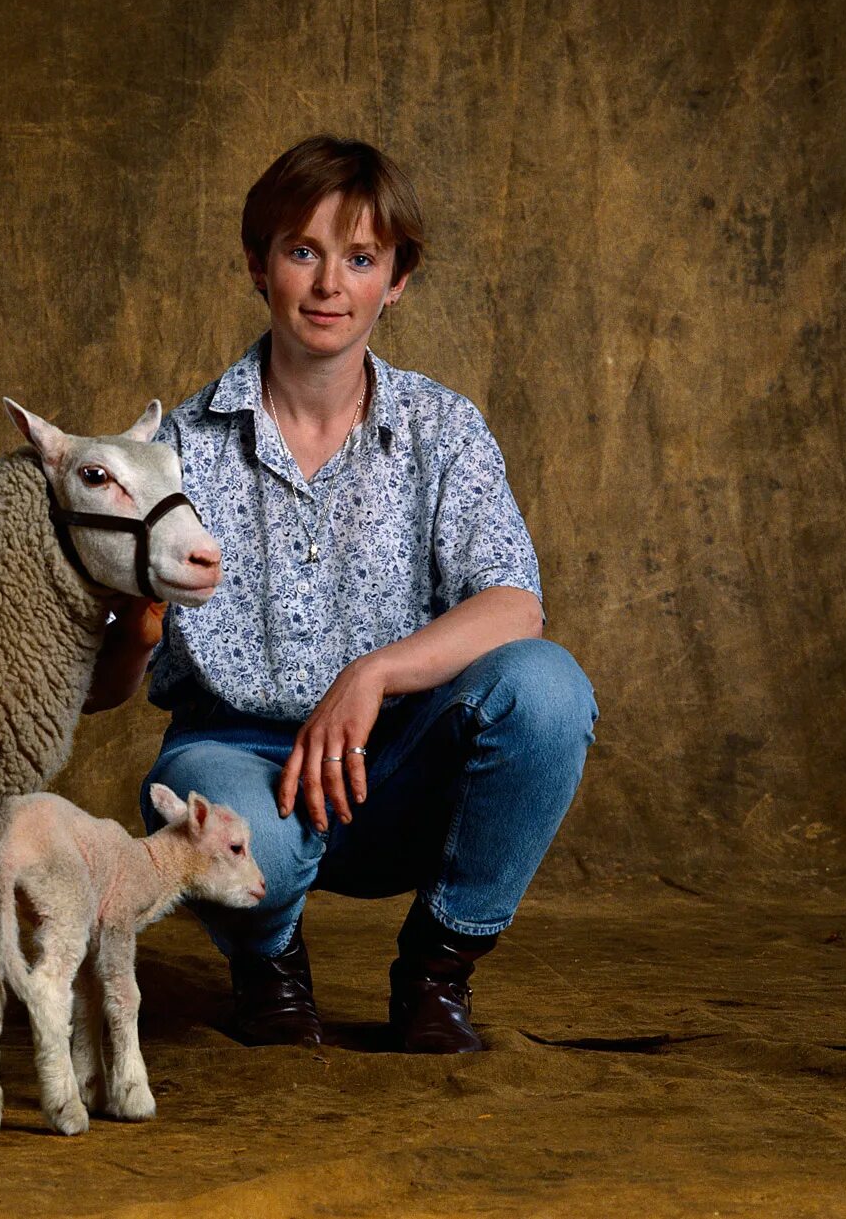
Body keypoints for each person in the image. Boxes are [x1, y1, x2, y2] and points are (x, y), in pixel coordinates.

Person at [84, 134, 597, 1053]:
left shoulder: (443, 427)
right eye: (303, 251)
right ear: (257, 264)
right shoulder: (179, 449)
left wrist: (375, 673)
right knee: (242, 834)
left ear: (395, 279)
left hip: (394, 766)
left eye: (360, 258)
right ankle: (269, 958)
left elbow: (516, 605)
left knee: (548, 689)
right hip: (240, 766)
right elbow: (105, 688)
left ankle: (435, 974)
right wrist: (133, 626)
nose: (330, 284)